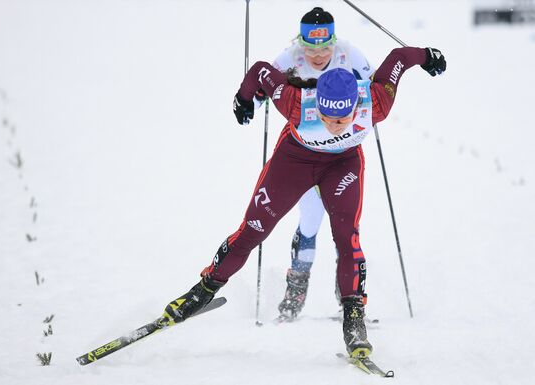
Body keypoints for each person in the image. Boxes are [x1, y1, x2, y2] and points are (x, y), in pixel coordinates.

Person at [159, 45, 446, 359]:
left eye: (343, 118)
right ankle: (203, 289)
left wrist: (428, 56)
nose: (335, 125)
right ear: (317, 105)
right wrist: (244, 97)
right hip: (294, 161)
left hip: (342, 164)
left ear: (356, 106)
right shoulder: (295, 103)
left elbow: (399, 59)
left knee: (347, 238)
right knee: (254, 230)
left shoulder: (376, 101)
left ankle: (353, 317)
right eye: (326, 117)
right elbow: (259, 70)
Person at [265, 7, 375, 322]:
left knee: (345, 226)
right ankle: (295, 292)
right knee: (311, 219)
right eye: (310, 47)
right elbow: (264, 86)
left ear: (334, 41)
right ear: (301, 43)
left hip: (341, 153)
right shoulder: (289, 58)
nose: (318, 54)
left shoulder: (349, 54)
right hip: (304, 155)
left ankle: (349, 297)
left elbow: (374, 84)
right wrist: (253, 101)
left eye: (325, 47)